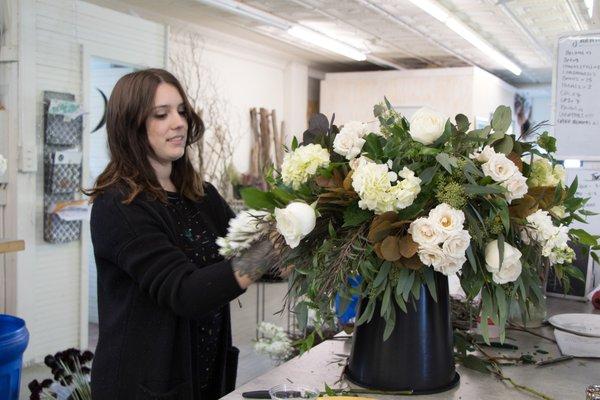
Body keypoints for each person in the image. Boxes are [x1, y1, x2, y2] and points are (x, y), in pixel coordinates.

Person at [85, 68, 274, 400]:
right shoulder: (118, 206)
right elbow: (185, 292)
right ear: (131, 126)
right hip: (144, 384)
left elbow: (243, 255)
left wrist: (300, 237)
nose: (179, 122)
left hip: (204, 375)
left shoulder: (199, 194)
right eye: (162, 114)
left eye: (182, 111)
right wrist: (268, 250)